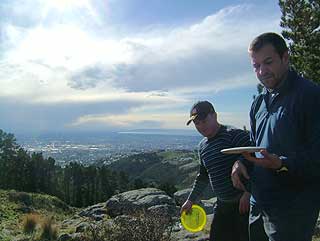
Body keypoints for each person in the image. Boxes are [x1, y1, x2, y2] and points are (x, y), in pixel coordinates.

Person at [231, 32, 320, 241]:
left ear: (285, 57)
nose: (262, 71)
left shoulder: (310, 96)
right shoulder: (259, 103)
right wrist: (241, 161)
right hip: (259, 202)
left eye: (268, 62)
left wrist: (280, 163)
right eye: (256, 66)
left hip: (293, 208)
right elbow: (256, 144)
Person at [181, 100, 251, 241]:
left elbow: (256, 163)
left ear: (214, 115)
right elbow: (203, 176)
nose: (200, 126)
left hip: (244, 204)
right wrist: (190, 200)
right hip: (222, 205)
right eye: (196, 123)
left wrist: (249, 193)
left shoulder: (235, 135)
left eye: (203, 120)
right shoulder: (202, 147)